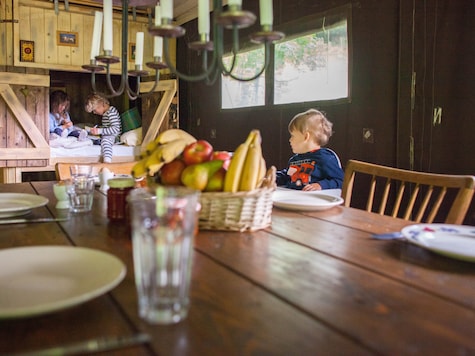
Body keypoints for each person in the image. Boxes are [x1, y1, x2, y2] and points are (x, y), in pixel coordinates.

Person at [276, 108, 344, 191]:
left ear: (306, 137)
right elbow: (288, 176)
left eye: (293, 136)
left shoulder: (325, 159)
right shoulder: (294, 159)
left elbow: (340, 181)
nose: (290, 140)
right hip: (293, 198)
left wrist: (320, 185)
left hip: (314, 201)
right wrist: (274, 178)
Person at [85, 93, 122, 163]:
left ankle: (107, 160)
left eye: (95, 110)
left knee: (105, 141)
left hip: (114, 136)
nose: (94, 113)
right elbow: (107, 127)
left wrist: (100, 131)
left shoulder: (111, 112)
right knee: (94, 138)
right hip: (109, 134)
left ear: (102, 104)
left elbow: (116, 129)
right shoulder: (106, 113)